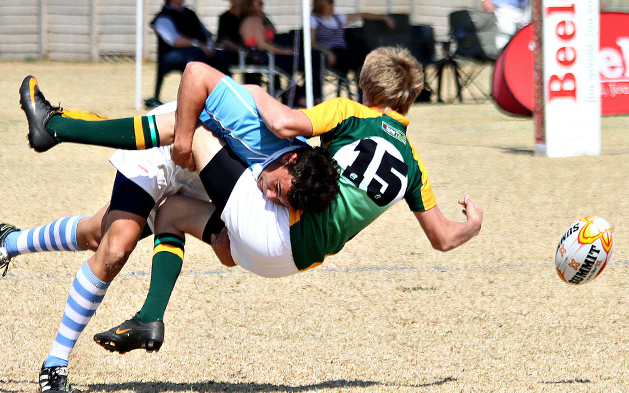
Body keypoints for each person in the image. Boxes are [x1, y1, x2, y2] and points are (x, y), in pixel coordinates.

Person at [95, 48, 483, 356]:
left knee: (196, 126)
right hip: (288, 264)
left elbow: (283, 123)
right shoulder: (413, 165)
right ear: (410, 99)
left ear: (369, 91)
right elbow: (443, 238)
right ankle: (150, 318)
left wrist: (255, 92)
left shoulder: (353, 114)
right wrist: (472, 224)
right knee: (172, 212)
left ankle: (65, 128)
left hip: (275, 228)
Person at [2, 69, 339, 393]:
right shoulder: (262, 129)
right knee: (115, 246)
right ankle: (56, 362)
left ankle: (9, 242)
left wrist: (226, 243)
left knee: (94, 233)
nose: (271, 197)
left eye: (280, 199)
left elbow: (226, 252)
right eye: (277, 187)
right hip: (165, 150)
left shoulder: (295, 188)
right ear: (291, 157)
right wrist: (181, 142)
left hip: (199, 183)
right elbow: (195, 74)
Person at [146, 0, 229, 107]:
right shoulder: (163, 17)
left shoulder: (190, 14)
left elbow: (207, 33)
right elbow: (175, 40)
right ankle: (194, 99)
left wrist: (210, 47)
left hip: (200, 50)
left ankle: (224, 96)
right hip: (171, 55)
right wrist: (200, 46)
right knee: (195, 56)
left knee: (224, 56)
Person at [239, 0, 323, 104]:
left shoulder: (262, 19)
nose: (262, 6)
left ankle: (301, 94)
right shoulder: (253, 21)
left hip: (270, 56)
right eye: (259, 3)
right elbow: (262, 45)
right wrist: (285, 51)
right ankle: (305, 95)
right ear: (250, 5)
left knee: (313, 57)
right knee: (312, 59)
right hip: (264, 58)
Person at [310, 0, 394, 78]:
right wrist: (326, 52)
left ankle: (364, 75)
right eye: (329, 2)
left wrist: (383, 17)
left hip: (343, 51)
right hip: (328, 53)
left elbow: (362, 15)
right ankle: (363, 75)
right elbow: (312, 42)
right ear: (320, 3)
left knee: (359, 46)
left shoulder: (337, 18)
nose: (332, 4)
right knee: (354, 56)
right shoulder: (314, 19)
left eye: (332, 1)